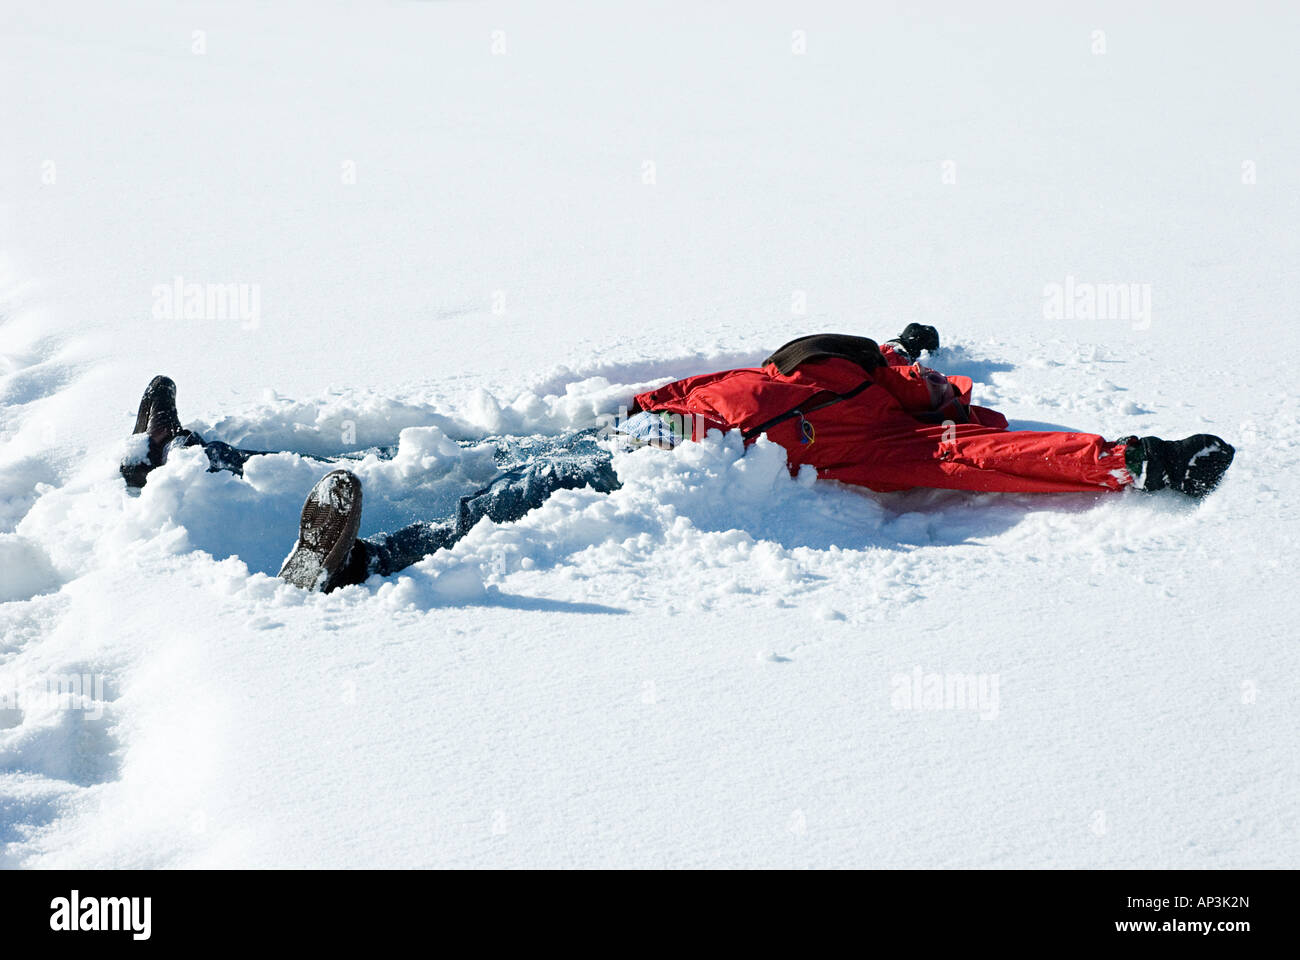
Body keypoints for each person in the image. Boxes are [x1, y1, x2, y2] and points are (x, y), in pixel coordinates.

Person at [120, 325, 1234, 592]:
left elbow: (1010, 459)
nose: (943, 386)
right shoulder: (871, 364)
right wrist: (917, 340)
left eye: (946, 387)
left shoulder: (913, 430)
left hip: (680, 463)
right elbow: (901, 352)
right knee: (461, 446)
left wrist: (1132, 457)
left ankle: (364, 563)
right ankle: (199, 457)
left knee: (509, 493)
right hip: (647, 420)